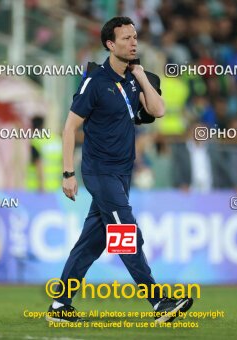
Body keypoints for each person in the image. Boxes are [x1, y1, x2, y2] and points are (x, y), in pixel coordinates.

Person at [47, 16, 193, 323]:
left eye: (135, 37)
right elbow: (70, 127)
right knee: (126, 233)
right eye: (126, 38)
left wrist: (140, 74)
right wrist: (68, 174)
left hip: (122, 173)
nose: (133, 42)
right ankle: (158, 302)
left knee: (91, 242)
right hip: (99, 172)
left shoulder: (133, 78)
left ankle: (60, 305)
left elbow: (158, 110)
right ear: (110, 45)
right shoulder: (95, 81)